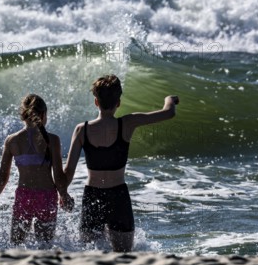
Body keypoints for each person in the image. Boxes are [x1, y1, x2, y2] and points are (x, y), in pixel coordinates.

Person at [64, 75, 179, 252]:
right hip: (118, 197)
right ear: (118, 102)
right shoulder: (127, 123)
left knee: (89, 254)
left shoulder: (82, 130)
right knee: (124, 255)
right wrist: (169, 100)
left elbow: (68, 172)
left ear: (96, 102)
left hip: (92, 197)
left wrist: (62, 194)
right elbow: (169, 113)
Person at [0, 94, 74, 245]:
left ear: (23, 115)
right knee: (45, 246)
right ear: (43, 114)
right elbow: (59, 177)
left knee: (16, 244)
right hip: (47, 197)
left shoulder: (12, 141)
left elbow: (2, 176)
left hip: (24, 196)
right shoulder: (52, 140)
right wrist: (64, 195)